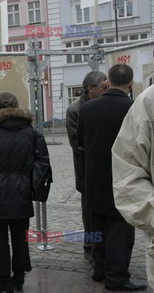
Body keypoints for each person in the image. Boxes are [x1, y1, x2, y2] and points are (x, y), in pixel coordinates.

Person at [77, 64, 146, 291]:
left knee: (97, 225)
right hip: (122, 177)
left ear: (108, 82)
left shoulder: (87, 109)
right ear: (130, 83)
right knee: (120, 229)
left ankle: (99, 268)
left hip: (93, 176)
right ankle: (116, 276)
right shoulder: (133, 108)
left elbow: (81, 144)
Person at [0, 92, 49, 293]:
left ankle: (4, 280)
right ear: (17, 107)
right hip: (21, 191)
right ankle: (19, 277)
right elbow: (43, 165)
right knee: (20, 237)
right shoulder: (32, 133)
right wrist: (36, 189)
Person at [112, 84, 154, 289]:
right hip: (123, 184)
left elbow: (78, 143)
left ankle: (105, 268)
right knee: (116, 233)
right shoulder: (146, 102)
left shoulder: (81, 109)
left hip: (96, 181)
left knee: (101, 232)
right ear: (129, 85)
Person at [66, 71, 107, 262]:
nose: (107, 89)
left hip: (104, 168)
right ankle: (89, 246)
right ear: (90, 89)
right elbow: (77, 143)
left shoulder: (104, 103)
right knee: (89, 212)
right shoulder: (75, 109)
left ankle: (104, 245)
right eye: (103, 87)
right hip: (86, 169)